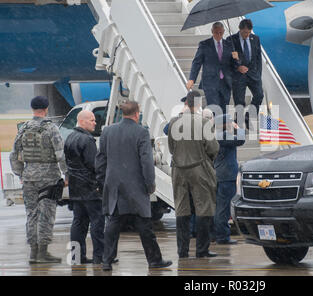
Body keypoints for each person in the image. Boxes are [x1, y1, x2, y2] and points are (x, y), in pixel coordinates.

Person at [95, 100, 171, 271]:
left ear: (123, 113)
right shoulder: (141, 132)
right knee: (145, 226)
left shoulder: (107, 131)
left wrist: (102, 180)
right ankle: (154, 260)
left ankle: (106, 261)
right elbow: (146, 161)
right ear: (137, 113)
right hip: (136, 186)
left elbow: (100, 159)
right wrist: (150, 183)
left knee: (113, 225)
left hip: (114, 185)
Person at [10, 96, 67, 264]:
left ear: (32, 108)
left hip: (29, 178)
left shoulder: (24, 128)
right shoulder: (51, 128)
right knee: (46, 214)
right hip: (48, 178)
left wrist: (21, 173)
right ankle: (43, 252)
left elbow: (14, 154)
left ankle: (33, 253)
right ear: (46, 109)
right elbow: (60, 153)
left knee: (31, 215)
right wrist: (66, 173)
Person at [168, 90, 219, 258]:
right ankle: (202, 250)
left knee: (182, 210)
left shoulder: (174, 122)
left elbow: (171, 148)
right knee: (204, 208)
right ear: (198, 103)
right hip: (200, 169)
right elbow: (213, 148)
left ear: (186, 103)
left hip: (178, 170)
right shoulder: (204, 122)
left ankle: (182, 251)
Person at [64, 110, 104, 264]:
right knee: (97, 222)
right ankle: (99, 256)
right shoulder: (87, 140)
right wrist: (100, 185)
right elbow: (95, 166)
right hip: (90, 188)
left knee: (78, 223)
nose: (95, 122)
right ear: (82, 121)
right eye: (92, 120)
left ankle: (76, 257)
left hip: (76, 188)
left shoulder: (70, 137)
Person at [186, 22, 238, 114]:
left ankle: (222, 127)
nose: (218, 35)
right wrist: (192, 79)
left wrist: (236, 59)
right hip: (210, 83)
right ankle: (214, 127)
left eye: (221, 33)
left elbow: (234, 66)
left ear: (224, 32)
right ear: (212, 31)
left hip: (225, 83)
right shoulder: (204, 44)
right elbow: (197, 62)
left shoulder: (229, 45)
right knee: (214, 108)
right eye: (216, 32)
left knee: (224, 110)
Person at [213, 114, 245, 244]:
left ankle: (216, 234)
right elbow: (241, 140)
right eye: (230, 122)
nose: (232, 124)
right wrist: (238, 128)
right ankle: (222, 237)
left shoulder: (218, 135)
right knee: (223, 208)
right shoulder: (224, 136)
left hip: (221, 175)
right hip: (226, 176)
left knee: (219, 207)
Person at [227, 19, 263, 127]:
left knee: (259, 95)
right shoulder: (231, 40)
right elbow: (227, 60)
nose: (246, 35)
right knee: (239, 102)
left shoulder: (255, 39)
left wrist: (258, 74)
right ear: (240, 30)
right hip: (238, 76)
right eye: (244, 33)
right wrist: (237, 67)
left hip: (253, 74)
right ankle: (238, 125)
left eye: (248, 32)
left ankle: (249, 116)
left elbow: (258, 58)